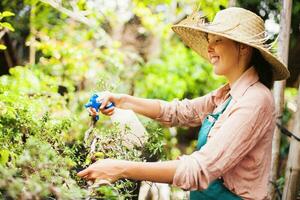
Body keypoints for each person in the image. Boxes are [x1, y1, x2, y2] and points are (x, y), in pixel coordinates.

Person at [77, 7, 290, 200]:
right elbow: (179, 112)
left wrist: (122, 168)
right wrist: (122, 100)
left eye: (218, 40)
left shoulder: (256, 100)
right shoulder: (227, 94)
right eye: (209, 39)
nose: (209, 48)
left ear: (244, 48)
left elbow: (199, 169)